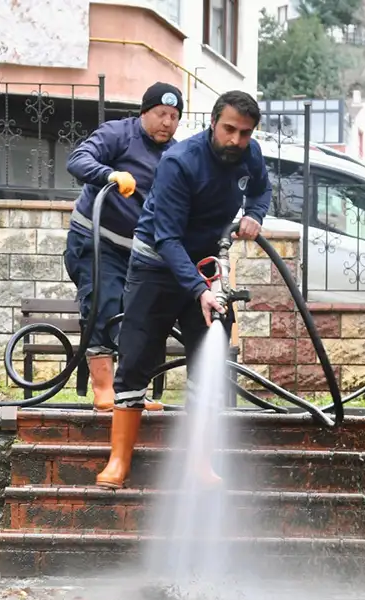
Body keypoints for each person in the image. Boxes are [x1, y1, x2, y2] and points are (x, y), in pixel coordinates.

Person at [95, 90, 272, 490]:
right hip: (156, 265)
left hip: (206, 265)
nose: (235, 140)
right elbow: (168, 238)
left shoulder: (250, 154)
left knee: (209, 360)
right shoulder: (180, 162)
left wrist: (255, 215)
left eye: (244, 133)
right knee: (138, 356)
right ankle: (119, 460)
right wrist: (198, 290)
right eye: (229, 129)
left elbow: (261, 190)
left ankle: (198, 463)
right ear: (213, 123)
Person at [64, 82, 184, 412]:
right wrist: (110, 174)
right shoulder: (118, 134)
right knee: (104, 304)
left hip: (138, 252)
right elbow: (78, 160)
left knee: (138, 317)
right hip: (94, 242)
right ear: (145, 112)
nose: (167, 122)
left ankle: (132, 392)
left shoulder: (175, 155)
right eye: (161, 114)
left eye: (174, 117)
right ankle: (104, 390)